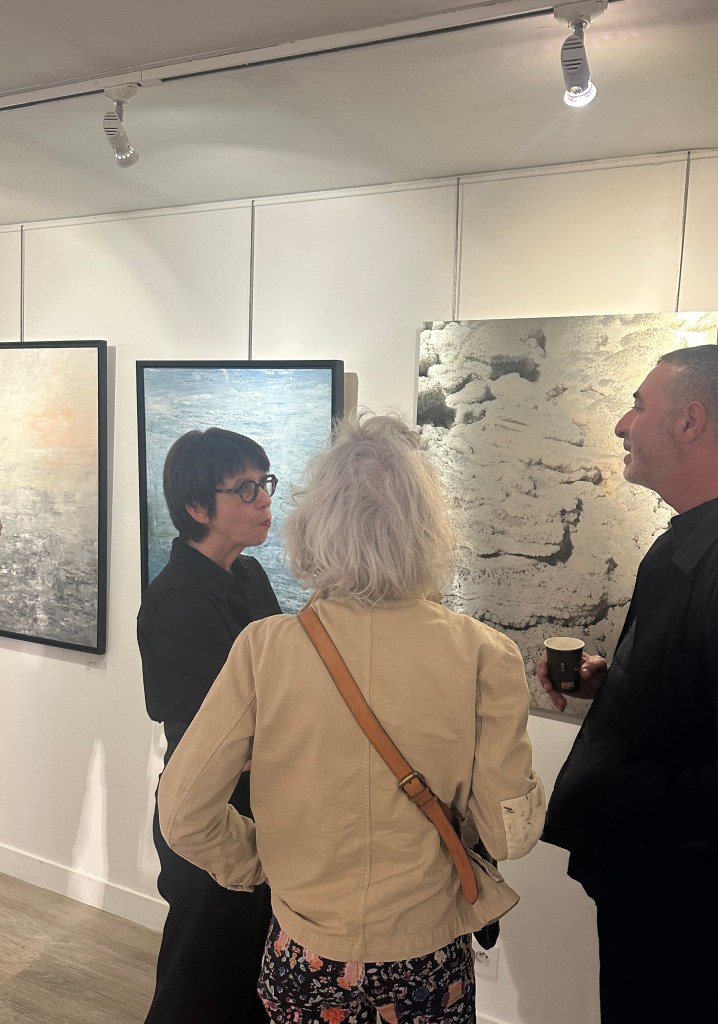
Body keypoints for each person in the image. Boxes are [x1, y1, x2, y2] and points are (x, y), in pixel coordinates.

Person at [157, 413, 545, 1024]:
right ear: (427, 530)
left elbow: (183, 814)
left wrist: (263, 861)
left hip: (304, 949)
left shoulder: (265, 647)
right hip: (424, 952)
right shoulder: (484, 654)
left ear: (315, 525)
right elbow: (510, 836)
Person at [537, 345, 718, 1024]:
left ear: (690, 421)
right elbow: (699, 695)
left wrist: (611, 791)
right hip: (657, 898)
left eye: (638, 406)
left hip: (702, 926)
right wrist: (614, 684)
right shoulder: (690, 539)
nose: (621, 424)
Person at [137, 427, 282, 1024]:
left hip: (258, 803)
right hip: (204, 812)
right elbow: (216, 731)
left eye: (264, 483)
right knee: (198, 981)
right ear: (198, 507)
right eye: (245, 488)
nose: (264, 499)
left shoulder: (250, 576)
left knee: (251, 975)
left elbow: (280, 687)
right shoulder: (172, 601)